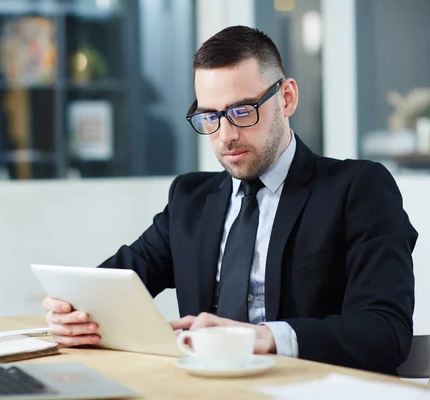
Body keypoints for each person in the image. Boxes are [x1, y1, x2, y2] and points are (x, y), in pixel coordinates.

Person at [41, 25, 417, 375]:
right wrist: (71, 311)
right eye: (210, 116)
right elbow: (114, 283)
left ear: (286, 98)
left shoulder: (357, 189)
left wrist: (263, 337)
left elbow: (386, 330)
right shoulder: (190, 199)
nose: (226, 135)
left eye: (242, 111)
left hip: (307, 387)